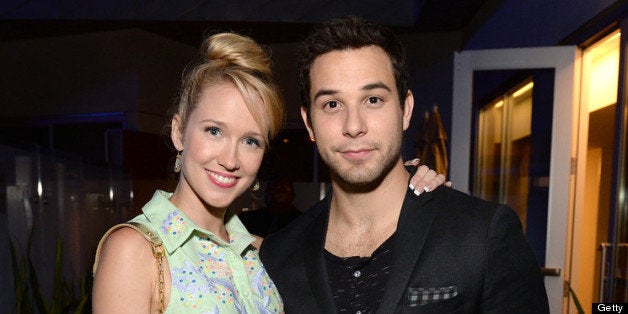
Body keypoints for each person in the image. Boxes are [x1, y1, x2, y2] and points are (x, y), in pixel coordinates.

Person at [92, 31, 447, 313]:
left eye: (251, 141)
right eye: (214, 131)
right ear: (178, 131)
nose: (230, 159)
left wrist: (404, 182)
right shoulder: (135, 250)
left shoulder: (262, 253)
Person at [259, 16, 550, 313]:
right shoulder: (279, 256)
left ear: (405, 109)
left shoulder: (482, 234)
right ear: (309, 122)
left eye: (373, 99)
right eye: (332, 104)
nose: (354, 125)